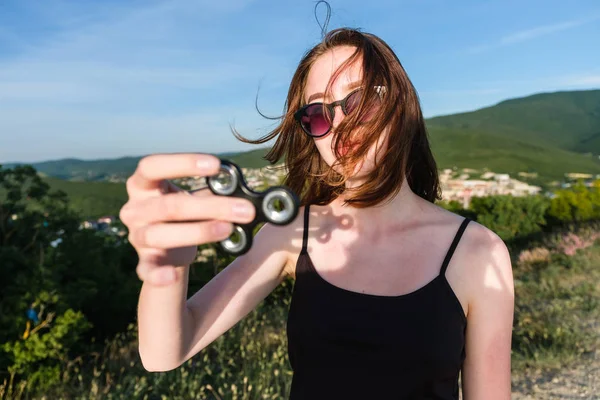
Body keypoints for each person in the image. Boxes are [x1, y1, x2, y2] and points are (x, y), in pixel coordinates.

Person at [120, 27, 514, 399]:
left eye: (358, 100)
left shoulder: (477, 251)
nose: (339, 123)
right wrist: (168, 271)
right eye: (318, 114)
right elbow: (164, 354)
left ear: (399, 106)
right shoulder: (293, 232)